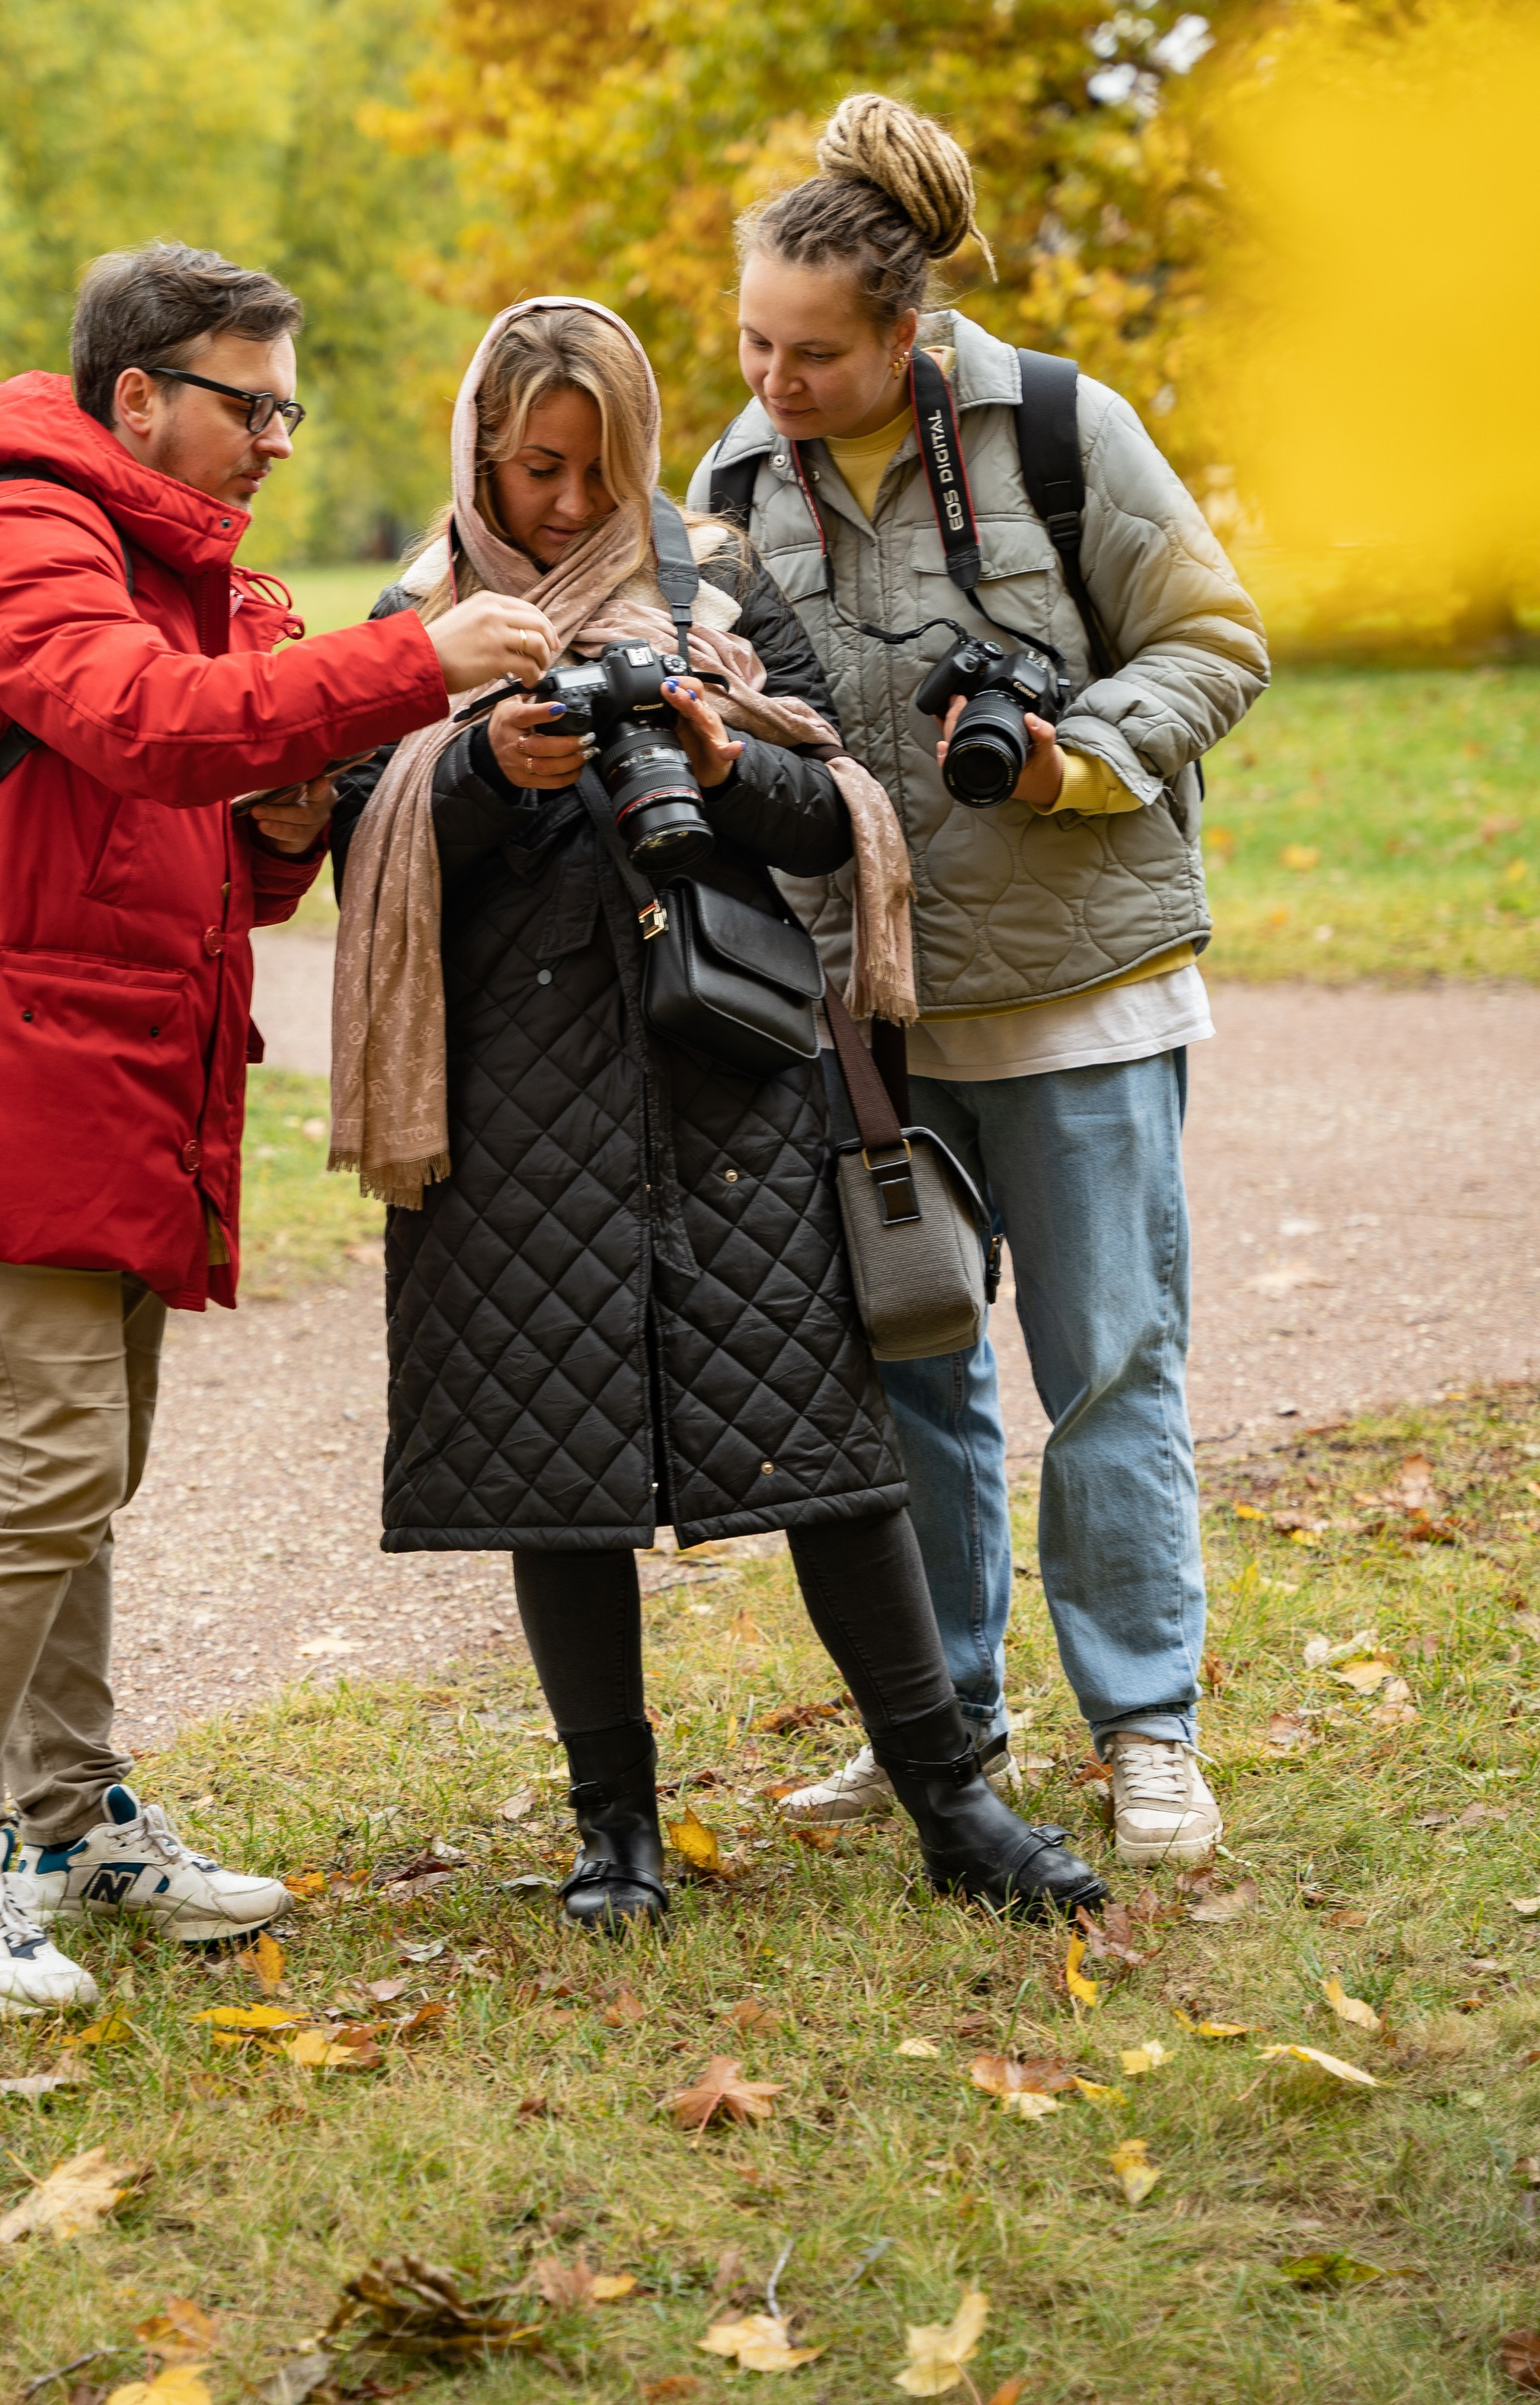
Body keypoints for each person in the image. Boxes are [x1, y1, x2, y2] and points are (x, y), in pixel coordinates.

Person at [329, 296, 1106, 1933]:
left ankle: (953, 1803)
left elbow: (834, 810)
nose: (565, 504)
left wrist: (720, 756)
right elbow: (352, 838)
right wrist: (482, 771)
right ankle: (614, 1831)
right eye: (535, 469)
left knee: (829, 1450)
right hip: (511, 1093)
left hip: (731, 1063)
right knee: (556, 1464)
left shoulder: (712, 578)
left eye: (596, 469)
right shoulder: (421, 613)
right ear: (480, 453)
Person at [0, 239, 551, 2015]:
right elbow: (144, 729)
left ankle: (68, 1819)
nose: (280, 441)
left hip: (122, 1063)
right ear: (139, 396)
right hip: (10, 1061)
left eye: (290, 407)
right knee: (47, 1466)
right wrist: (406, 663)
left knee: (88, 1474)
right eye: (255, 405)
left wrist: (288, 816)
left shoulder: (182, 571)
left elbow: (200, 850)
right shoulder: (18, 533)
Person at [687, 98, 1269, 1871]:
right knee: (906, 1383)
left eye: (812, 354)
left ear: (905, 336)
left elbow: (1212, 641)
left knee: (1108, 1371)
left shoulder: (1062, 432)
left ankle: (1144, 1728)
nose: (773, 382)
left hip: (1079, 988)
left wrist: (1067, 760)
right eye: (752, 343)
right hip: (863, 1012)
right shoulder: (732, 484)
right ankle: (936, 1722)